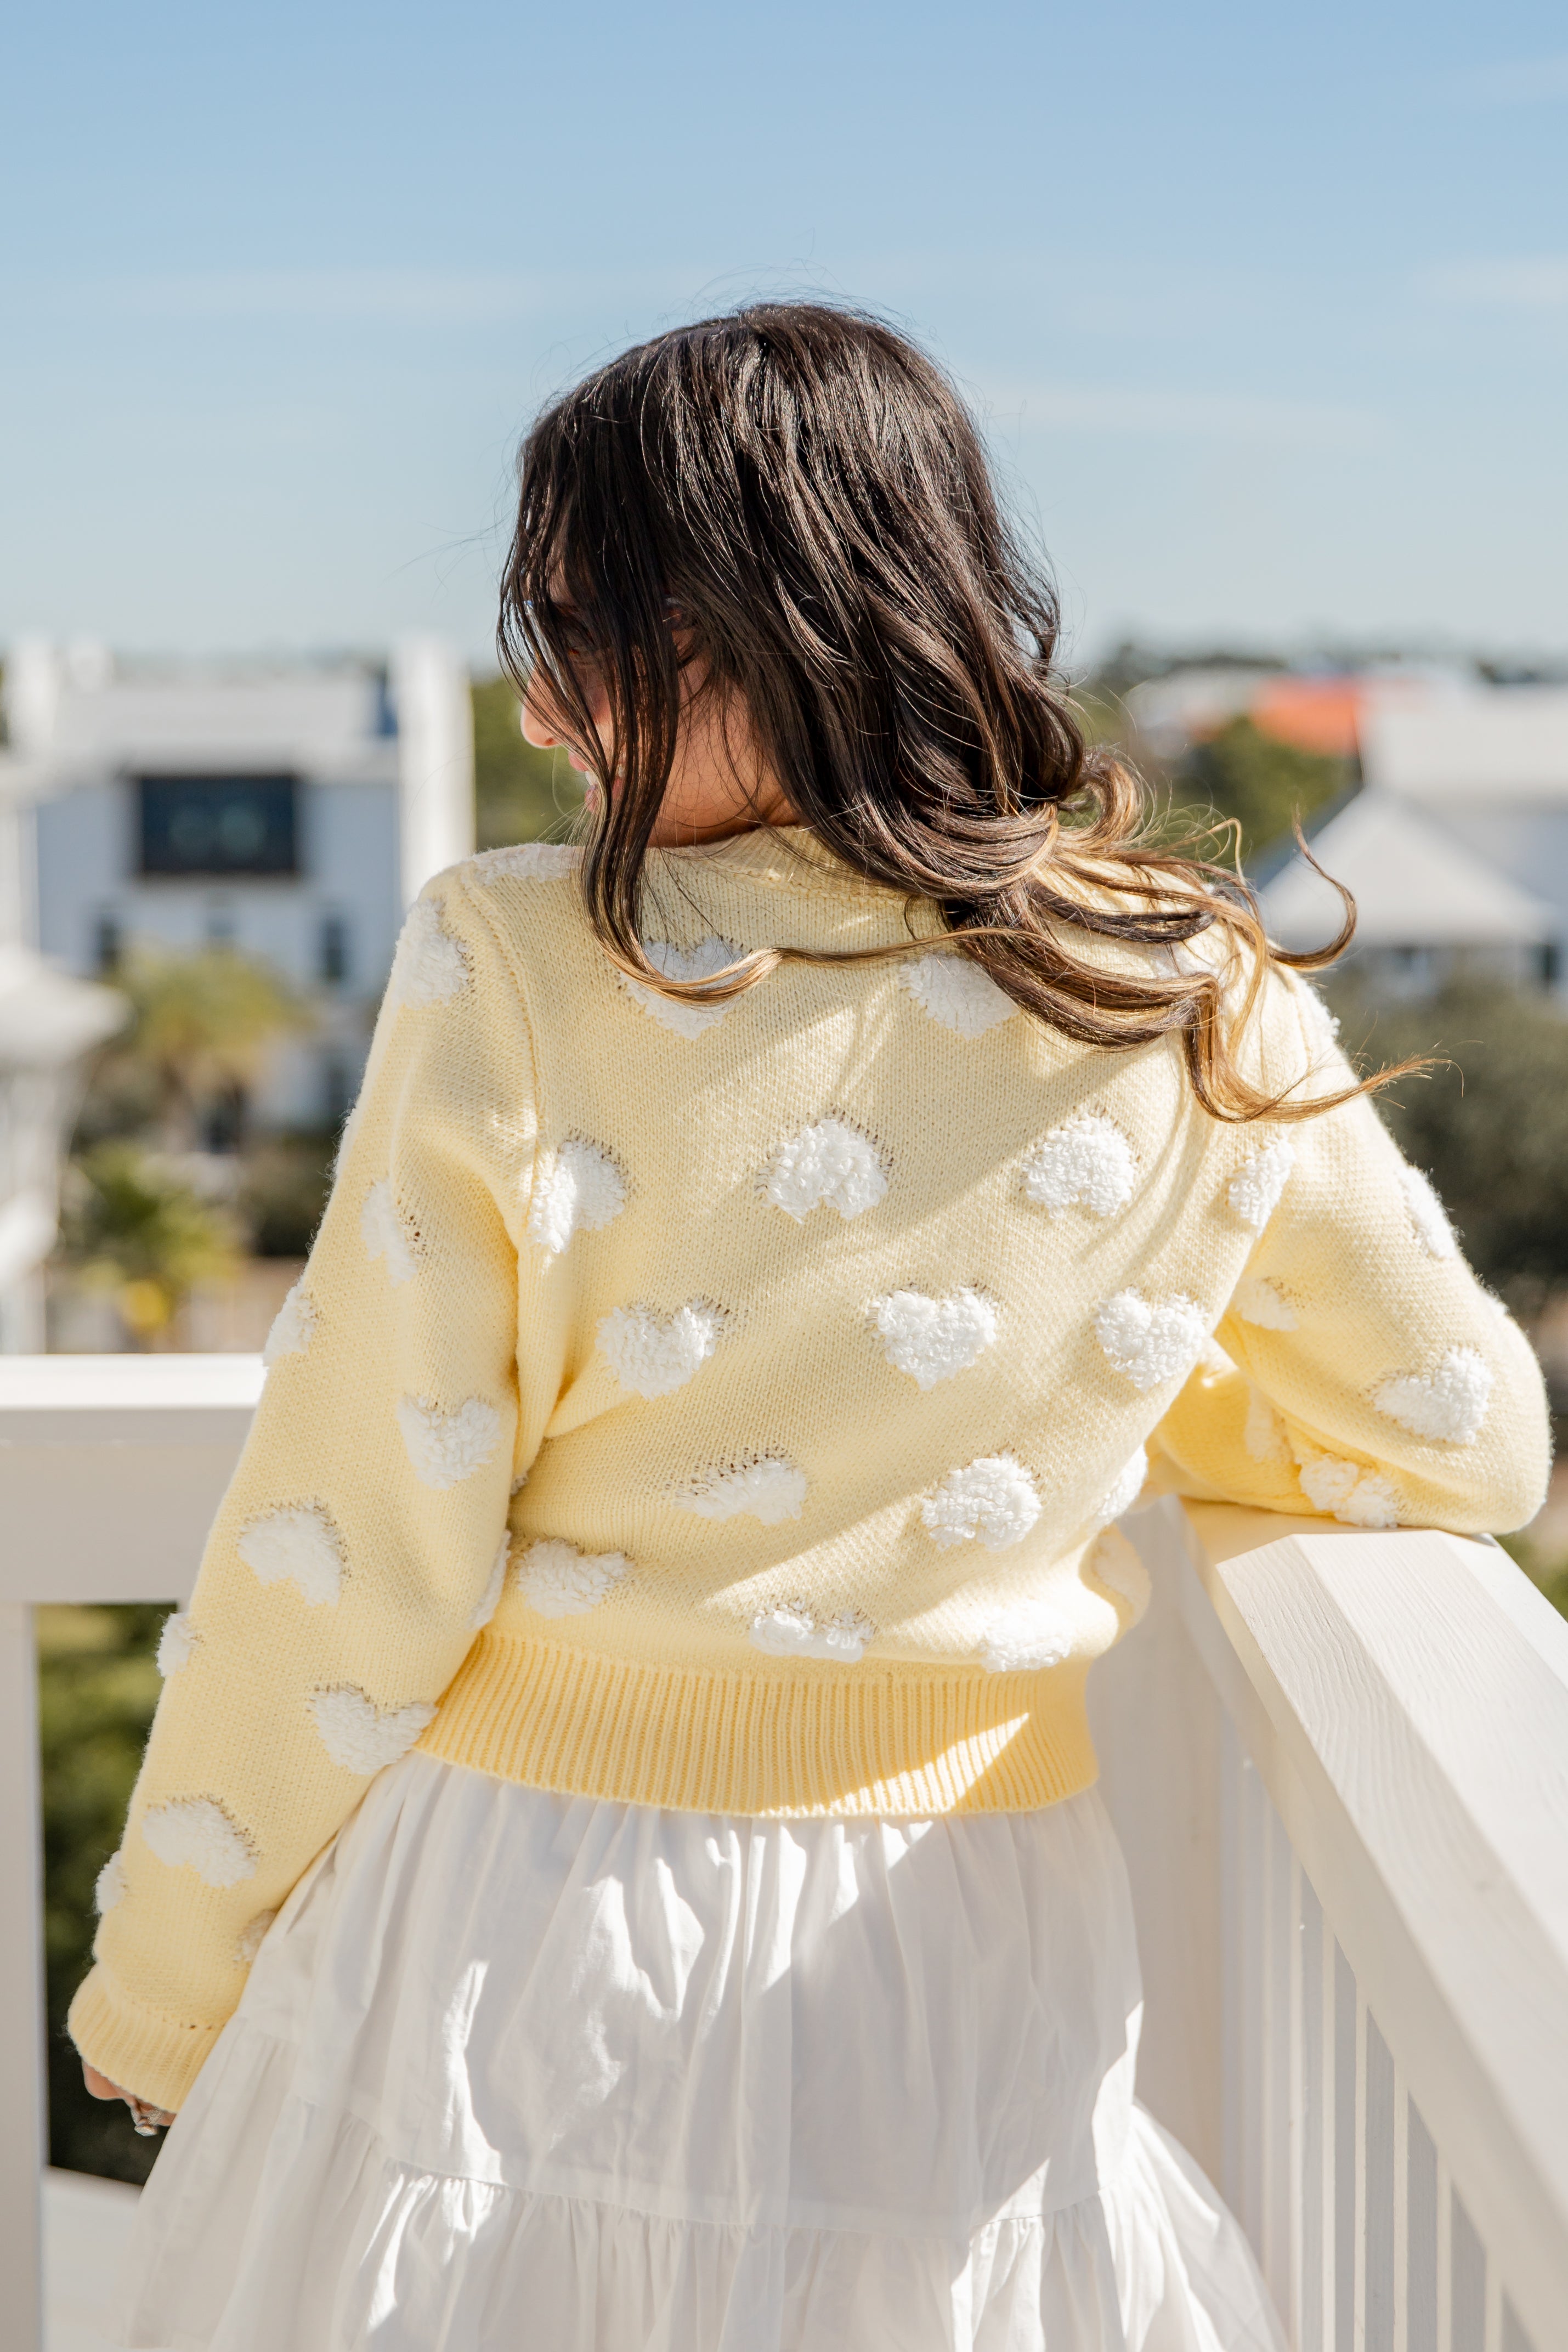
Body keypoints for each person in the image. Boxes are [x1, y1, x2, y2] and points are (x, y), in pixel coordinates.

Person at [75, 304, 1547, 2351]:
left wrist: (165, 1978)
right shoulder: (1181, 983)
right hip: (964, 1938)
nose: (538, 708)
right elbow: (1456, 1435)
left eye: (579, 632)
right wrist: (1088, 1371)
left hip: (518, 1928)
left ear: (765, 629)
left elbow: (353, 1539)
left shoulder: (523, 958)